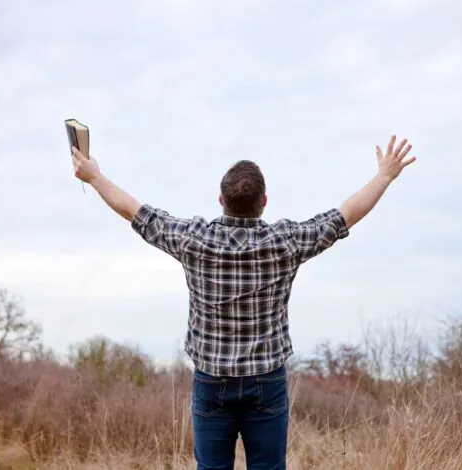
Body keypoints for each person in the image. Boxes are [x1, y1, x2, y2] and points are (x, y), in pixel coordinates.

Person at [70, 135, 416, 469]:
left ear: (221, 200)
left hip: (211, 380)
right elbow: (346, 215)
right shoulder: (286, 242)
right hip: (267, 381)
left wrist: (95, 176)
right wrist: (384, 176)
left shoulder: (194, 240)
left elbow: (134, 211)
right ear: (264, 202)